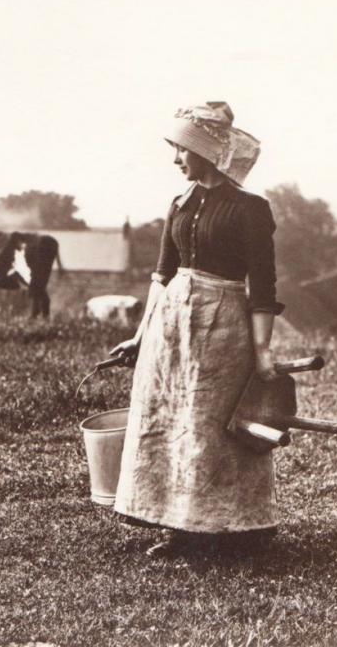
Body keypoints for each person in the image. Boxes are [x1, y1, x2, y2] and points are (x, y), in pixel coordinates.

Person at [110, 101, 284, 556]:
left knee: (212, 425)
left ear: (205, 151)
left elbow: (262, 286)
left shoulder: (249, 209)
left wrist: (262, 351)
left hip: (224, 324)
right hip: (172, 325)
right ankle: (178, 527)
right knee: (172, 420)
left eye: (181, 150)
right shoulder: (179, 205)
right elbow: (162, 274)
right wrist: (140, 334)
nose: (175, 160)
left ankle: (235, 527)